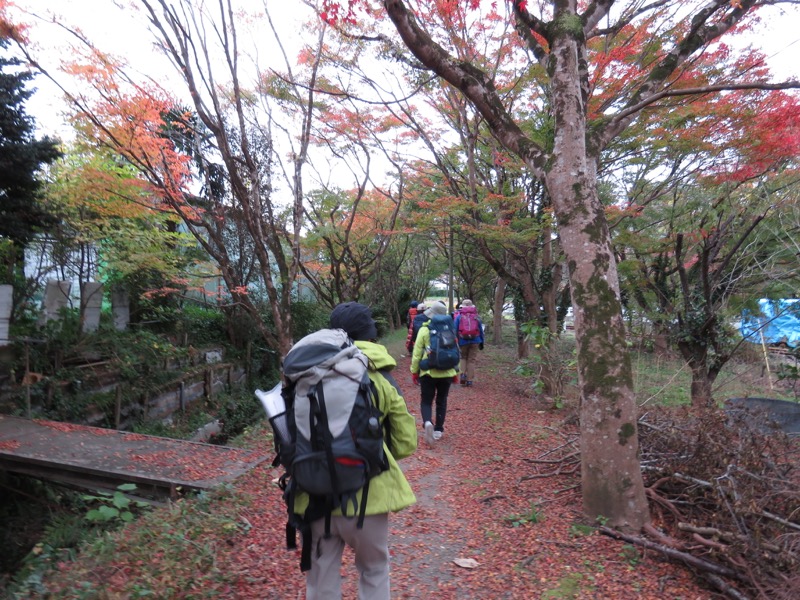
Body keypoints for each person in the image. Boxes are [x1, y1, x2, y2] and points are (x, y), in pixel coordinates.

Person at [301, 301, 418, 600]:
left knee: (321, 575)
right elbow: (406, 441)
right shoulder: (380, 378)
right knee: (374, 570)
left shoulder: (306, 375)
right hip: (369, 497)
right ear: (371, 334)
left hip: (314, 494)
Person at [410, 300, 459, 444]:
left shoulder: (425, 329)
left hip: (428, 372)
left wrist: (414, 371)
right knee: (441, 401)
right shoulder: (451, 329)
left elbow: (417, 353)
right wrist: (456, 372)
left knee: (426, 401)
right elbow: (456, 352)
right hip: (447, 372)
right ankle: (438, 430)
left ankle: (427, 423)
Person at [454, 299, 484, 387]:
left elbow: (455, 330)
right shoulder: (476, 316)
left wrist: (456, 341)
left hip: (463, 340)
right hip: (475, 340)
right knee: (471, 360)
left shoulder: (459, 317)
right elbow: (481, 330)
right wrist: (482, 341)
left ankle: (463, 376)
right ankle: (470, 380)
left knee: (463, 358)